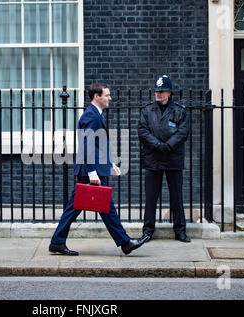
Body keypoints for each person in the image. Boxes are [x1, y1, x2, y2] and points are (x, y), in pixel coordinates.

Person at [49, 82, 150, 256]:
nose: (110, 98)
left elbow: (98, 144)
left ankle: (57, 242)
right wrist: (92, 172)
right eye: (107, 95)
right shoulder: (91, 116)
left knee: (75, 208)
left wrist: (110, 164)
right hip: (91, 171)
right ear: (97, 96)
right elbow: (87, 144)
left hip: (93, 169)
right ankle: (125, 243)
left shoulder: (96, 114)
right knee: (106, 207)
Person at [138, 75, 191, 243]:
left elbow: (183, 132)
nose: (158, 94)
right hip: (153, 158)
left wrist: (167, 146)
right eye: (156, 91)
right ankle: (147, 231)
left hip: (173, 158)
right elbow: (142, 131)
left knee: (177, 196)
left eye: (161, 91)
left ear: (169, 92)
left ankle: (180, 230)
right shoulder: (147, 110)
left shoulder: (180, 110)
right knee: (151, 197)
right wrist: (157, 145)